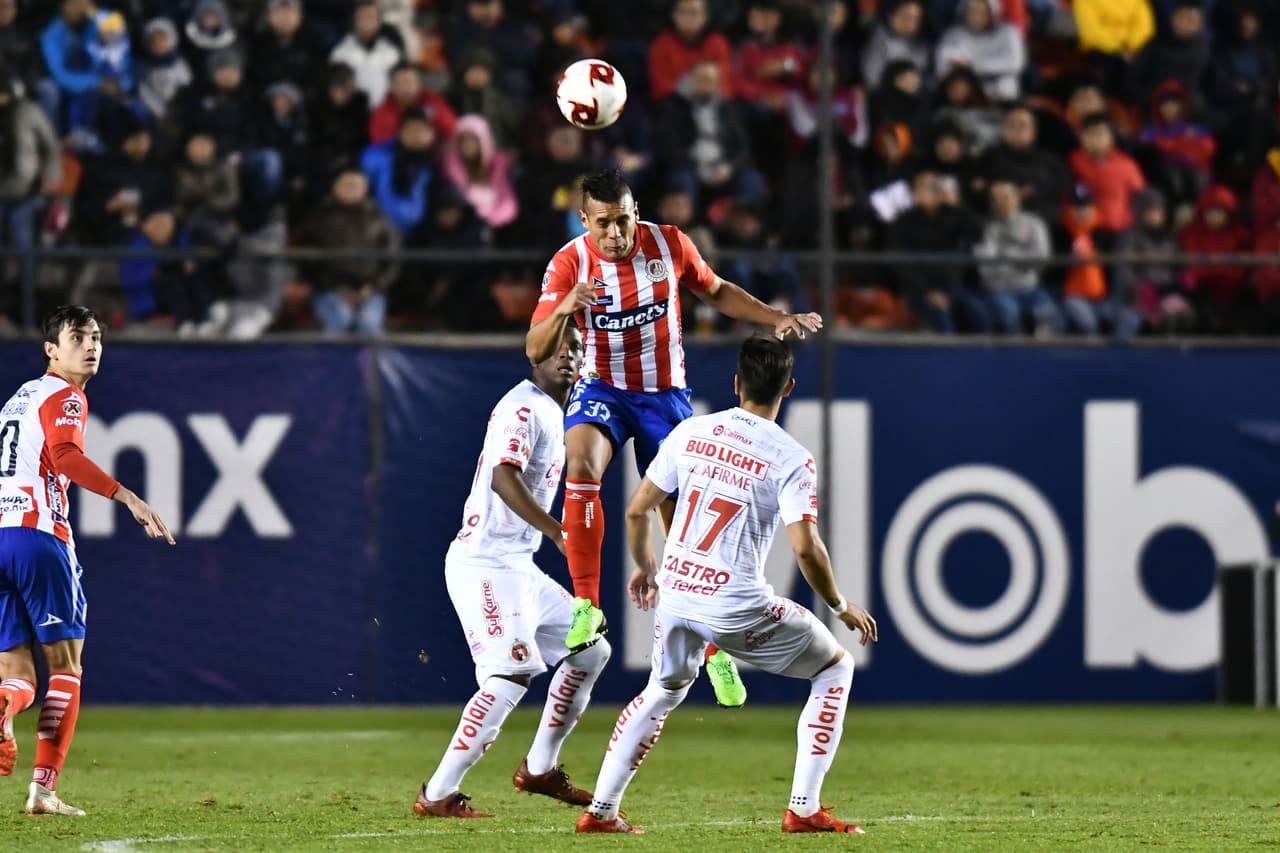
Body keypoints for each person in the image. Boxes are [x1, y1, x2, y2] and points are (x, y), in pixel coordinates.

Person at [525, 169, 822, 705]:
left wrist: (774, 317)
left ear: (635, 212)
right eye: (602, 223)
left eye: (622, 220)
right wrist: (566, 306)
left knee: (682, 524)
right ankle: (586, 605)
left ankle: (715, 651)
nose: (614, 234)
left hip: (664, 395)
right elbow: (535, 348)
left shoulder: (669, 244)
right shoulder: (569, 263)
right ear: (584, 220)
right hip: (603, 386)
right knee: (582, 464)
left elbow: (716, 289)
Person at [574, 334, 877, 835]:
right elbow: (806, 548)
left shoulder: (690, 431)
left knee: (661, 691)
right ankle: (803, 808)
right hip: (734, 605)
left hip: (677, 595)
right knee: (834, 668)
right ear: (788, 388)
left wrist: (647, 565)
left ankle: (601, 811)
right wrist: (840, 604)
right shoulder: (791, 457)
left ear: (737, 384)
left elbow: (637, 509)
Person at [414, 324, 612, 819]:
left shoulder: (560, 411)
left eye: (575, 349)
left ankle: (540, 768)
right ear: (535, 356)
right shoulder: (522, 407)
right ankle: (437, 794)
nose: (566, 356)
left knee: (592, 649)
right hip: (485, 563)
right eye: (557, 349)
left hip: (517, 566)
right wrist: (557, 531)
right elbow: (503, 477)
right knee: (509, 676)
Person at [0, 305, 174, 816]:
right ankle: (43, 791)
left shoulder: (18, 398)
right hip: (38, 538)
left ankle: (4, 708)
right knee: (66, 666)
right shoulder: (65, 395)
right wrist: (128, 497)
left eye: (96, 336)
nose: (91, 345)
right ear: (51, 350)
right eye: (77, 337)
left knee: (16, 670)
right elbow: (66, 457)